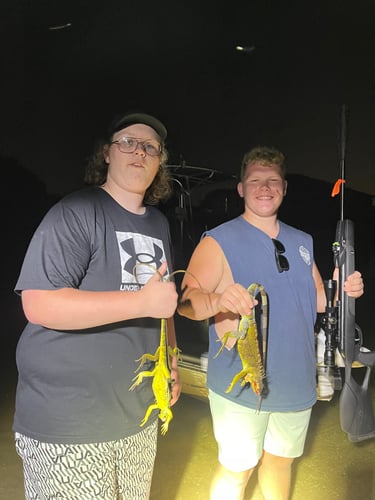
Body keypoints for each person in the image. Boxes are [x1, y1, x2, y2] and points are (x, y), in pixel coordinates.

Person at [177, 146, 364, 500]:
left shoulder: (302, 241)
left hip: (295, 379)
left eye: (273, 180)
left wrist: (343, 289)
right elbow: (185, 303)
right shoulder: (218, 240)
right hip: (241, 381)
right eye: (255, 180)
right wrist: (217, 300)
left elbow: (319, 300)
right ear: (241, 189)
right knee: (237, 469)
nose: (265, 187)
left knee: (280, 463)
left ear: (285, 187)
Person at [13, 111, 181, 499]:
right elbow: (40, 304)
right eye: (128, 142)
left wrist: (171, 356)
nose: (139, 151)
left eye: (150, 147)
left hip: (137, 415)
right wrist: (140, 301)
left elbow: (163, 301)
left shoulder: (157, 224)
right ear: (107, 153)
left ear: (159, 161)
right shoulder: (76, 211)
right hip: (69, 421)